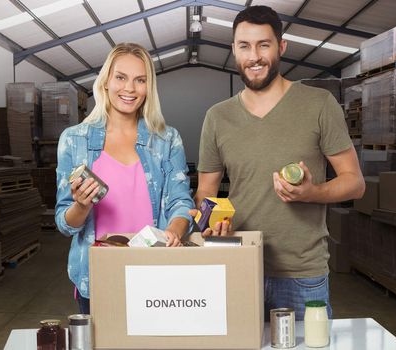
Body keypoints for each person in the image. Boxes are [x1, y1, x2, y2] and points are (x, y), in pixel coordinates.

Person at [194, 5, 365, 320]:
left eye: (264, 44)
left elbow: (354, 181)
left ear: (281, 47)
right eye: (244, 46)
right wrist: (213, 221)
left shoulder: (318, 104)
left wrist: (312, 193)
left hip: (302, 273)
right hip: (239, 265)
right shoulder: (218, 117)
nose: (254, 56)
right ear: (233, 50)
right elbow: (206, 191)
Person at [55, 43, 194, 315]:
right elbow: (64, 222)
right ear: (106, 82)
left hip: (155, 278)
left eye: (140, 80)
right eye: (121, 77)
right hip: (97, 279)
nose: (129, 88)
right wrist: (81, 206)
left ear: (148, 87)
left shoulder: (167, 140)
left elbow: (180, 201)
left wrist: (175, 232)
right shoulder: (74, 140)